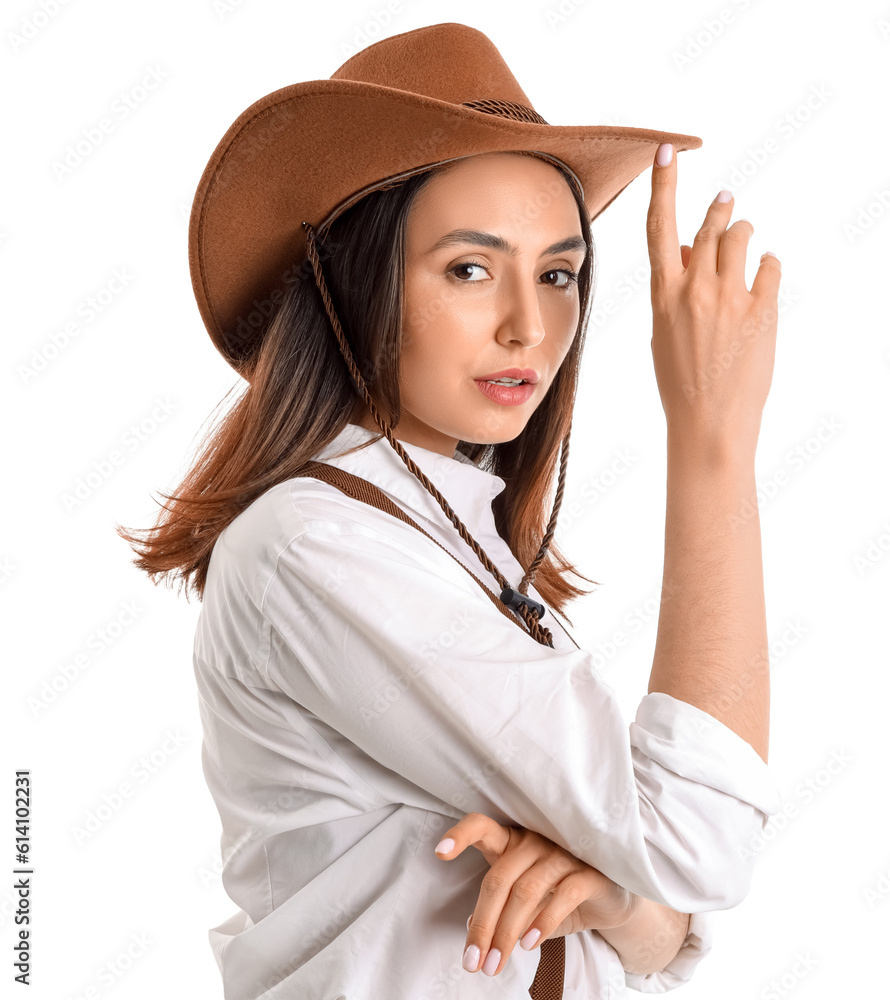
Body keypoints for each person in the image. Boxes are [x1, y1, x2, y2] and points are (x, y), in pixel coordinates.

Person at [117, 22, 782, 999]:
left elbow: (657, 914)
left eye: (557, 272)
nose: (529, 322)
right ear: (355, 279)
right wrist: (712, 438)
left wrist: (608, 895)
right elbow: (690, 840)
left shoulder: (447, 536)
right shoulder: (316, 546)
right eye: (469, 268)